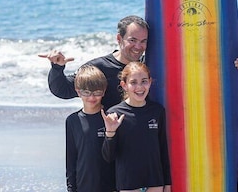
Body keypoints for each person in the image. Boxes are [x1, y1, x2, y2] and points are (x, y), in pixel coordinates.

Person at [39, 15, 149, 110]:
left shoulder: (149, 66)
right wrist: (57, 68)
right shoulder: (99, 68)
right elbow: (63, 90)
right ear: (119, 38)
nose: (138, 47)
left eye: (143, 41)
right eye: (132, 40)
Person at [101, 61, 171, 192]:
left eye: (144, 81)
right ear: (124, 85)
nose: (139, 87)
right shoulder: (114, 114)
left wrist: (167, 183)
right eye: (133, 82)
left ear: (150, 82)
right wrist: (110, 132)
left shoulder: (157, 111)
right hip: (128, 183)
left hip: (155, 182)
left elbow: (163, 150)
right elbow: (108, 157)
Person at [65, 64, 116, 192]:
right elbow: (71, 160)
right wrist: (71, 188)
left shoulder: (111, 119)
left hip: (111, 186)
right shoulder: (72, 120)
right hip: (83, 186)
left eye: (97, 92)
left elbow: (117, 156)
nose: (92, 97)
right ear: (78, 91)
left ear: (104, 91)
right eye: (86, 92)